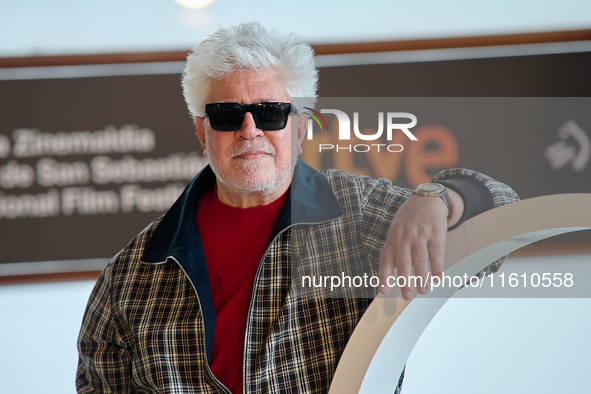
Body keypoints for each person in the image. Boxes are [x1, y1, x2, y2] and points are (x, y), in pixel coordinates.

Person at [76, 22, 519, 393]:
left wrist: (438, 199)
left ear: (301, 125)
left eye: (270, 112)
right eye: (228, 115)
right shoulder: (132, 274)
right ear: (202, 131)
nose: (250, 131)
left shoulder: (359, 214)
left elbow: (506, 223)